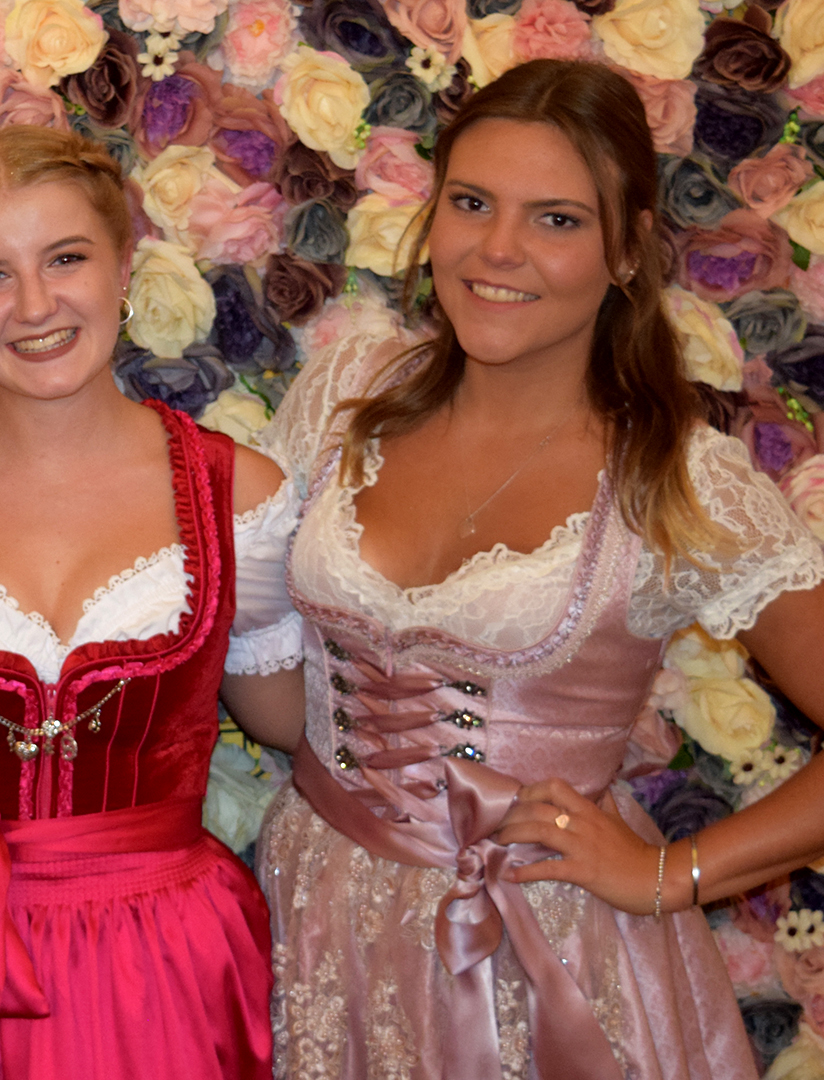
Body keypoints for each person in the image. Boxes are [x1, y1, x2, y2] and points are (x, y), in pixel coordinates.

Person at [255, 60, 824, 1078]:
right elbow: (239, 630)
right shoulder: (345, 394)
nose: (498, 250)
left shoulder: (676, 480)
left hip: (546, 956)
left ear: (627, 249)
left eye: (556, 219)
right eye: (472, 203)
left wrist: (667, 874)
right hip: (314, 919)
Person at [0, 126, 305, 1079]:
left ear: (124, 266)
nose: (35, 305)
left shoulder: (239, 496)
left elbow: (295, 720)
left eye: (65, 259)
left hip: (162, 968)